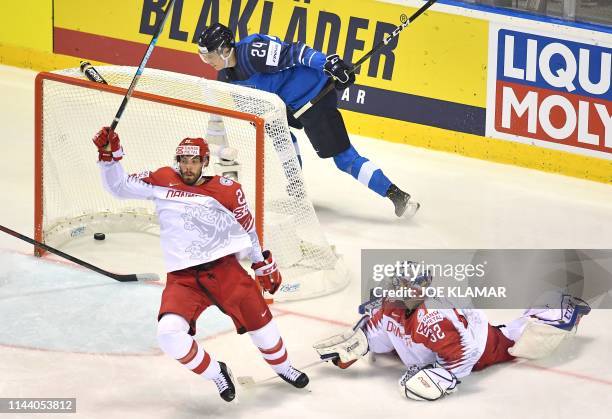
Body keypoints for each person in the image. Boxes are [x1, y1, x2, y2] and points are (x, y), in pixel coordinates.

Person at [92, 127, 309, 402]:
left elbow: (249, 228)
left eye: (194, 161)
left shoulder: (228, 190)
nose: (188, 166)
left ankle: (284, 368)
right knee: (168, 334)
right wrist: (109, 156)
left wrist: (261, 262)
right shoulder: (161, 179)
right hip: (183, 279)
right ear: (177, 160)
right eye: (183, 160)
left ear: (205, 162)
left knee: (263, 329)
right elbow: (118, 187)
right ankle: (217, 373)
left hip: (224, 270)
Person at [196, 23, 420, 219]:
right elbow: (252, 106)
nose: (206, 61)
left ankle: (396, 195)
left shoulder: (253, 51)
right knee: (278, 133)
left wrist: (329, 64)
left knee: (344, 159)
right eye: (202, 56)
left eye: (209, 55)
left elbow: (296, 52)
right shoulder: (226, 77)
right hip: (286, 106)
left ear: (225, 50)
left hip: (313, 94)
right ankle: (297, 189)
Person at [313, 266, 591, 401]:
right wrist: (358, 346)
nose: (391, 290)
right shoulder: (391, 307)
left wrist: (442, 377)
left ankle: (561, 312)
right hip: (443, 340)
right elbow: (378, 331)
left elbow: (466, 353)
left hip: (480, 343)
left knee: (512, 343)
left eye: (399, 285)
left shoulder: (434, 319)